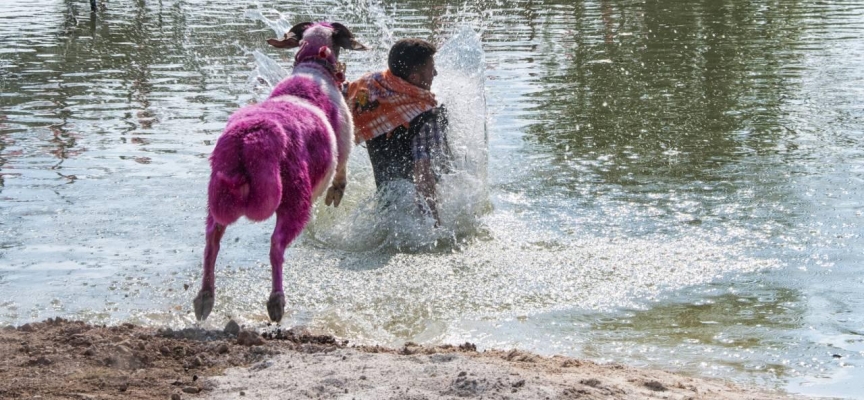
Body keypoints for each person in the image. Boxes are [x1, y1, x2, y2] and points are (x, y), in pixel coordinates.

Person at [347, 38, 453, 226]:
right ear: (414, 78)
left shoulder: (370, 94)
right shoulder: (427, 115)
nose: (435, 73)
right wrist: (434, 223)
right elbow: (424, 173)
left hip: (385, 212)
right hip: (417, 216)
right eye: (430, 69)